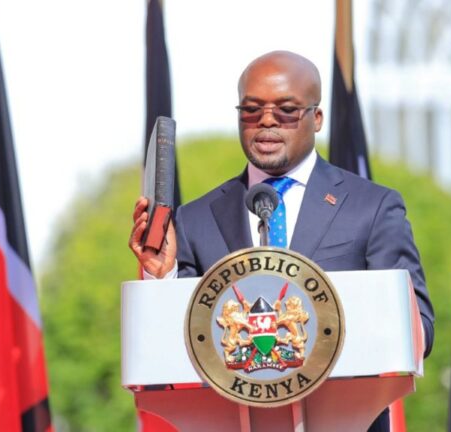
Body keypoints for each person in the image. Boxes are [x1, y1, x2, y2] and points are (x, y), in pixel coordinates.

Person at [129, 50, 434, 431]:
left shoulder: (372, 207)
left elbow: (419, 329)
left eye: (286, 110)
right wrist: (163, 275)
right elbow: (175, 342)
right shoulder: (195, 218)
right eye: (251, 110)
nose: (267, 121)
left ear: (316, 118)